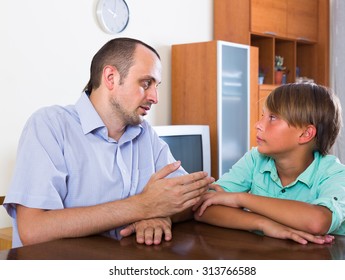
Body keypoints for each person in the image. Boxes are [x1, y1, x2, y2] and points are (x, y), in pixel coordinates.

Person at [3, 38, 215, 248]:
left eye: (156, 85)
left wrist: (160, 215)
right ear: (111, 77)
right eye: (146, 83)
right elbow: (33, 230)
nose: (154, 97)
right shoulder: (50, 125)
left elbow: (189, 201)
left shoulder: (146, 134)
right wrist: (143, 207)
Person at [194, 83, 345, 245]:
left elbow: (318, 221)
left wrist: (240, 199)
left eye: (272, 118)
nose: (257, 125)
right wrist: (263, 224)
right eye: (263, 116)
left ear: (305, 133)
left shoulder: (339, 175)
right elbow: (203, 208)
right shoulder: (255, 159)